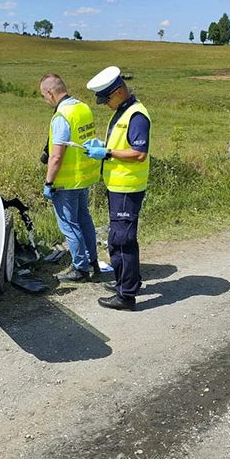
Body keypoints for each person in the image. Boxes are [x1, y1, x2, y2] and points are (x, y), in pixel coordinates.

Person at [84, 66, 151, 311]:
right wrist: (103, 145)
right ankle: (128, 282)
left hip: (127, 187)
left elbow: (139, 153)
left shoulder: (137, 115)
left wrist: (108, 152)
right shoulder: (124, 111)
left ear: (120, 91)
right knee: (120, 238)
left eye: (107, 98)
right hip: (118, 185)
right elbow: (123, 143)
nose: (105, 104)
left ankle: (126, 296)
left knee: (122, 240)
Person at [39, 73, 102, 282]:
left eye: (44, 96)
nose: (46, 101)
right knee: (85, 220)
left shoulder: (61, 116)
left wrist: (49, 182)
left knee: (69, 224)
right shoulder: (82, 108)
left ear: (50, 92)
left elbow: (56, 156)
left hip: (66, 181)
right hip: (84, 176)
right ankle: (93, 261)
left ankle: (80, 268)